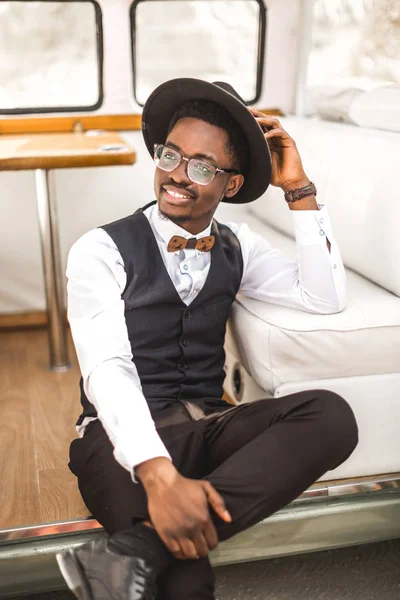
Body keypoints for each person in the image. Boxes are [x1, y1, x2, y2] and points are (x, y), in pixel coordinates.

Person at [57, 79, 358, 600]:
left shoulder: (241, 247)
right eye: (170, 154)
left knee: (331, 416)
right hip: (119, 442)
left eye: (200, 166)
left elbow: (323, 297)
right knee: (186, 583)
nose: (176, 175)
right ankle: (154, 549)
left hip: (207, 426)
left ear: (232, 184)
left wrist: (299, 189)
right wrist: (159, 477)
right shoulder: (99, 250)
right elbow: (108, 368)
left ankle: (140, 549)